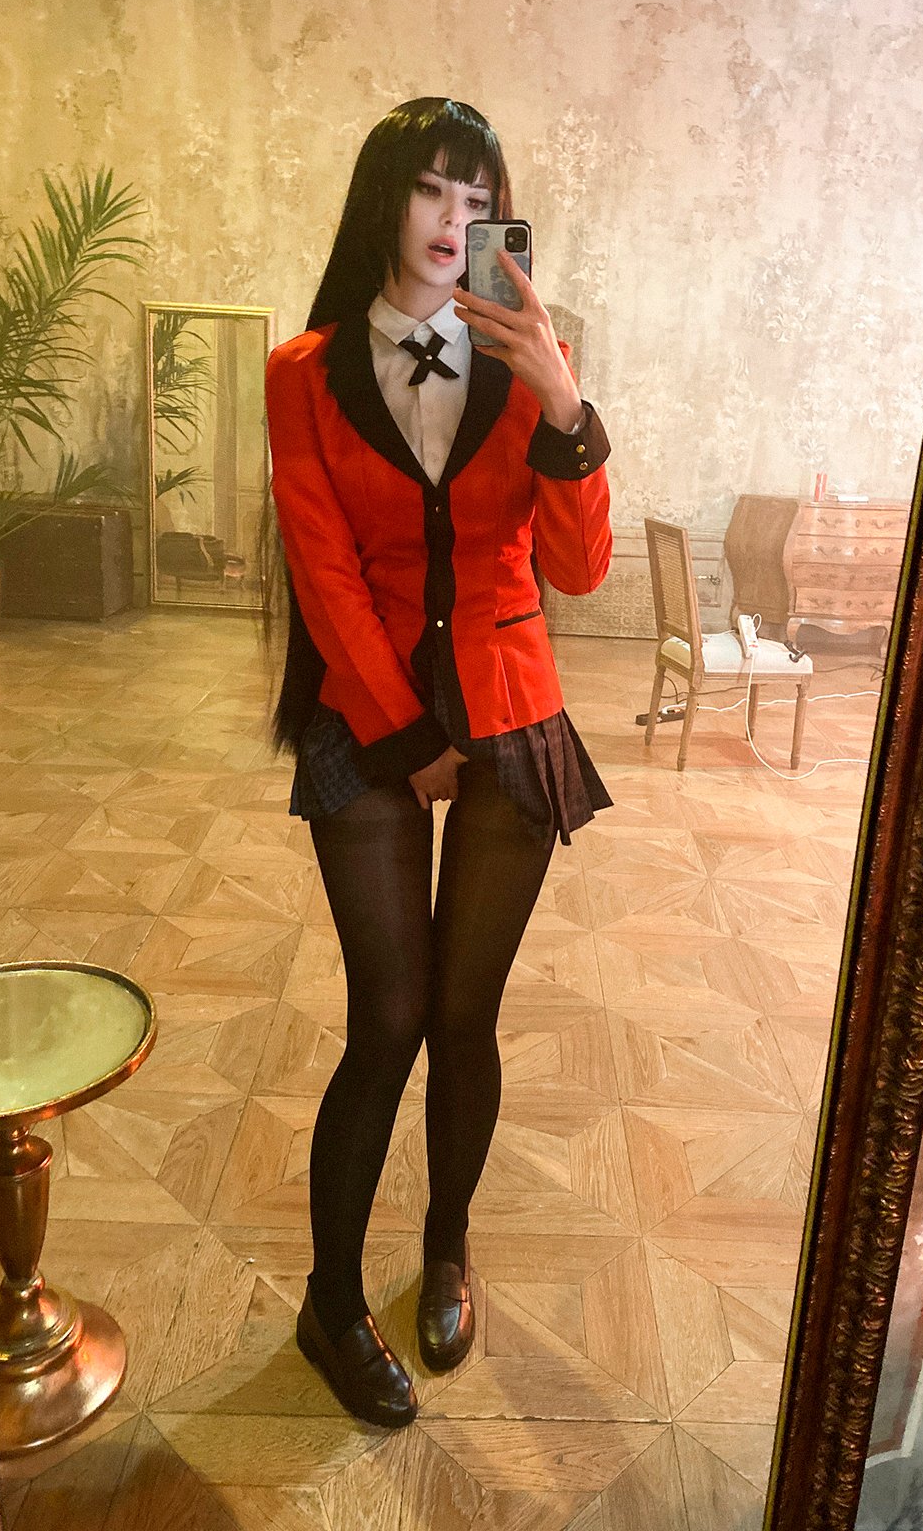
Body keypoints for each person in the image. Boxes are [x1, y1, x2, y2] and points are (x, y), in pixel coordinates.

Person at [263, 97, 613, 1429]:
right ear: (384, 200)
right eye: (430, 190)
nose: (454, 222)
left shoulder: (532, 363)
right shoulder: (304, 371)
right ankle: (330, 1303)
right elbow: (325, 569)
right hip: (368, 718)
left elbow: (577, 568)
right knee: (388, 1022)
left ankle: (448, 1247)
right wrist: (406, 738)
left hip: (512, 704)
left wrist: (565, 404)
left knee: (467, 1018)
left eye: (479, 200)